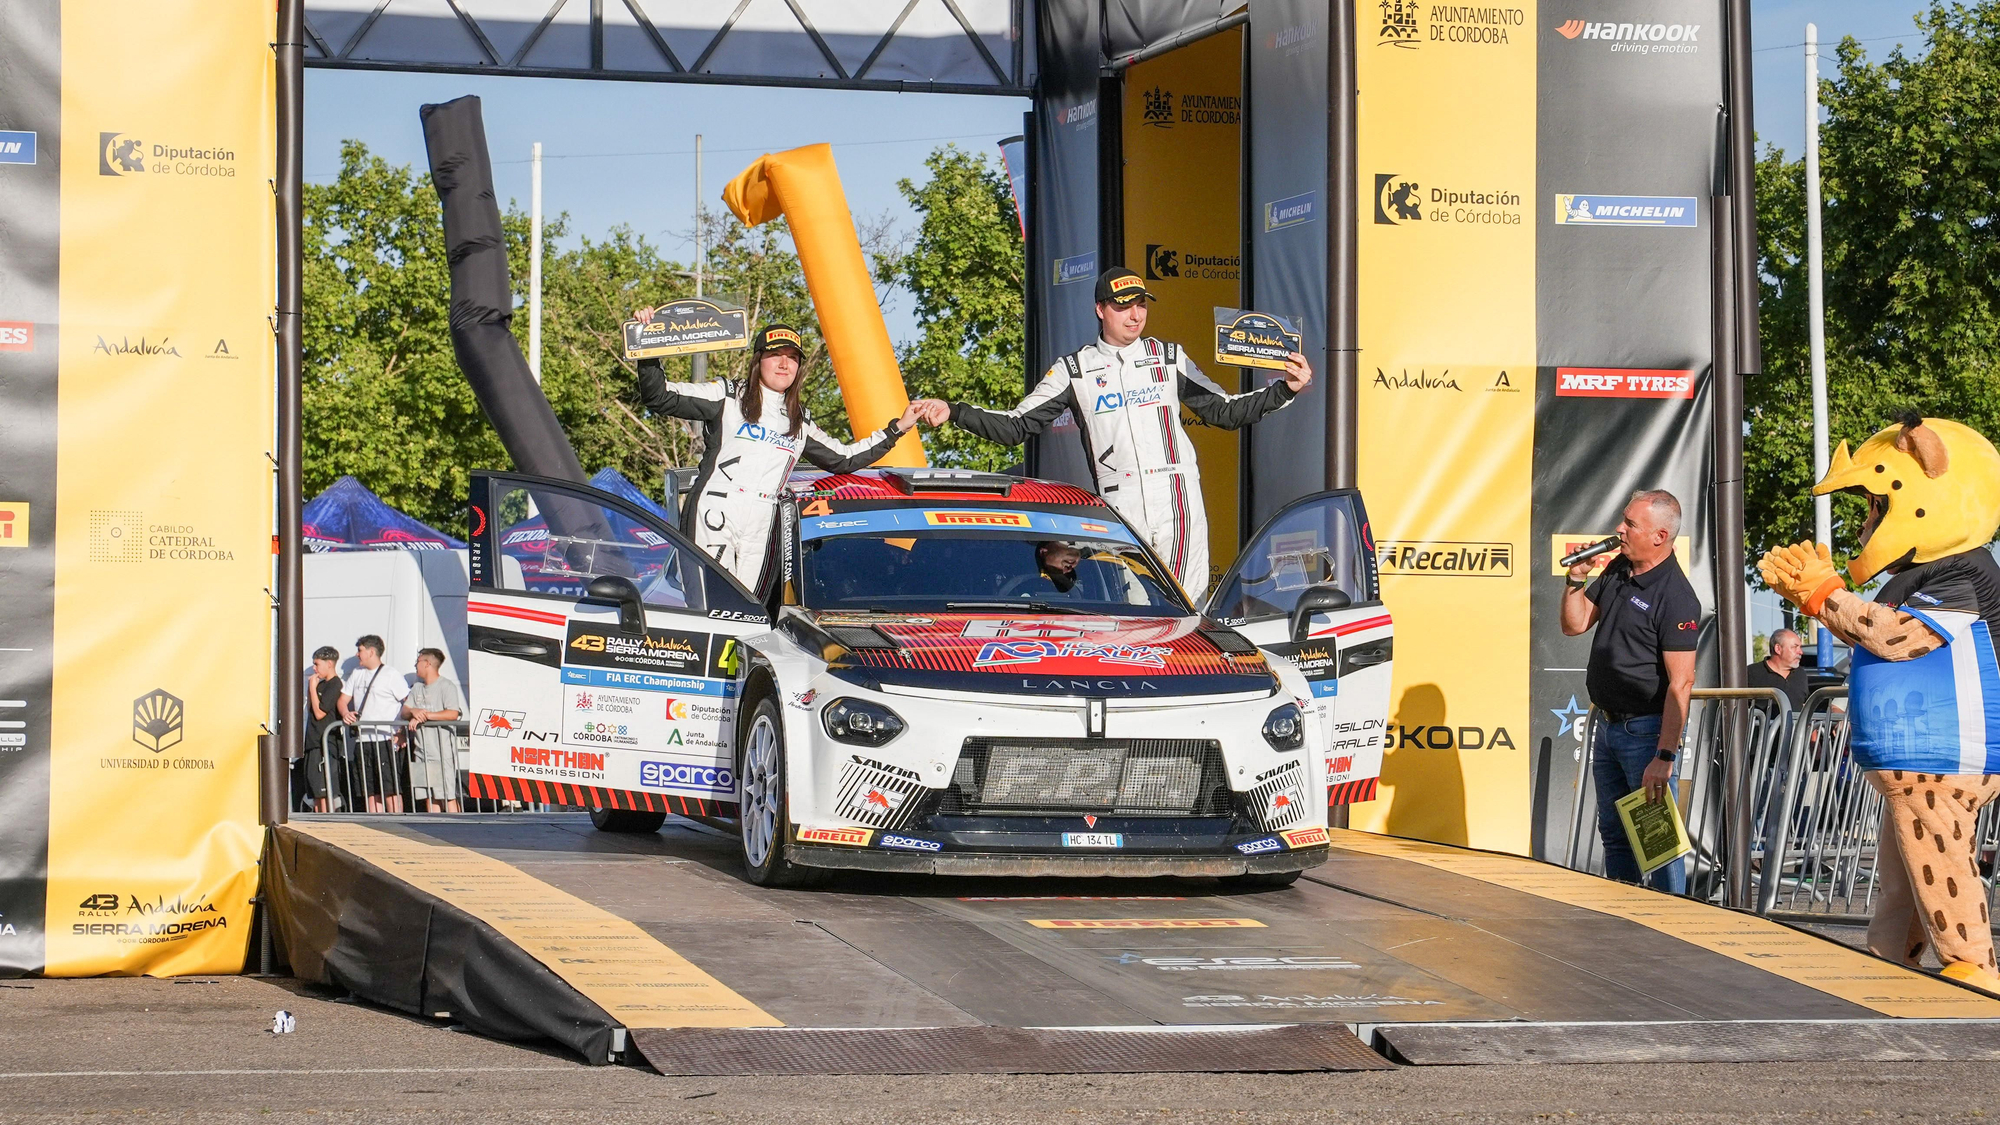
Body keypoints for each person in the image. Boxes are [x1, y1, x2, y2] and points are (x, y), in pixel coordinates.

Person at [1761, 414, 2000, 996]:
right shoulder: (1926, 574)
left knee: (1940, 859)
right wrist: (1826, 600)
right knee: (1907, 876)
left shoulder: (1963, 572)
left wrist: (1824, 595)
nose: (1867, 523)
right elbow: (1873, 630)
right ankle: (1887, 964)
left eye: (1875, 506)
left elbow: (1896, 637)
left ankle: (1973, 965)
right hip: (1918, 758)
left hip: (1943, 755)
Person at [912, 266, 1311, 602]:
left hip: (1176, 495)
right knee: (1138, 608)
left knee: (1187, 605)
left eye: (1141, 305)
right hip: (1121, 502)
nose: (1135, 315)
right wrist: (955, 411)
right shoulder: (1074, 370)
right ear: (1100, 309)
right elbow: (1016, 426)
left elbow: (1224, 411)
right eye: (1123, 307)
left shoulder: (1168, 357)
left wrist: (1285, 389)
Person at [635, 321, 926, 591]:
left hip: (764, 517)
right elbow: (660, 396)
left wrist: (898, 428)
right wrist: (648, 345)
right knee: (713, 600)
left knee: (748, 610)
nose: (784, 364)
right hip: (717, 507)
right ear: (758, 360)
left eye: (793, 358)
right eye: (775, 355)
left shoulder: (800, 420)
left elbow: (844, 459)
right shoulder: (728, 395)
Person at [1559, 489, 1701, 893]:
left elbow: (1681, 682)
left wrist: (1664, 756)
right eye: (1623, 520)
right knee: (1615, 833)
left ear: (1659, 536)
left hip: (1646, 733)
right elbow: (1574, 624)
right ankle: (1624, 915)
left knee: (1658, 843)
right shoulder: (1620, 567)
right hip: (1607, 726)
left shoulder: (1676, 596)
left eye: (1630, 524)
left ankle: (1670, 921)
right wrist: (1576, 579)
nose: (1619, 529)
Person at [339, 635, 410, 814]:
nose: (357, 654)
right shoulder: (357, 673)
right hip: (363, 739)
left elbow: (407, 703)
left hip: (386, 738)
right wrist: (346, 713)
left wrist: (401, 732)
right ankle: (375, 821)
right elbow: (342, 700)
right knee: (368, 788)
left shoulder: (391, 674)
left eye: (360, 650)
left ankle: (397, 821)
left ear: (371, 652)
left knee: (390, 787)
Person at [402, 648, 464, 813]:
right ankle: (434, 824)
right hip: (421, 751)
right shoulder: (417, 688)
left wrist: (425, 715)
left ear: (427, 663)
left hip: (441, 752)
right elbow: (404, 711)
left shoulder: (446, 686)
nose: (415, 665)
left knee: (447, 795)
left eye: (418, 662)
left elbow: (452, 713)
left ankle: (457, 824)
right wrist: (413, 711)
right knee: (429, 795)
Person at [303, 646, 346, 812]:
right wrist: (313, 690)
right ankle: (318, 817)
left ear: (329, 664)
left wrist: (312, 688)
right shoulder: (320, 684)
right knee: (315, 789)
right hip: (313, 741)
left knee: (324, 790)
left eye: (317, 664)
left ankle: (327, 818)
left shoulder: (335, 684)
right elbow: (312, 708)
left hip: (326, 743)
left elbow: (320, 713)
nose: (314, 668)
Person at [1746, 627, 1808, 710]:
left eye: (1800, 647)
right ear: (1778, 649)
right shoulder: (1751, 673)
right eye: (1794, 647)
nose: (1800, 652)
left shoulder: (1800, 674)